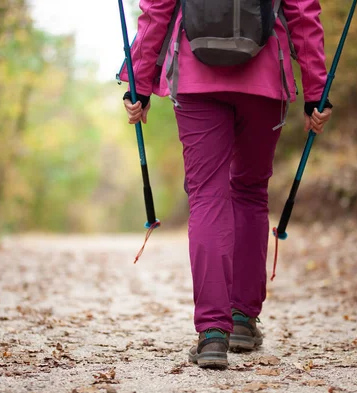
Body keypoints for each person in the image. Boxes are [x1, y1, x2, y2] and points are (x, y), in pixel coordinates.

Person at [118, 0, 333, 369]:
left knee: (206, 197)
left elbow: (157, 11)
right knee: (250, 192)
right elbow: (302, 11)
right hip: (266, 78)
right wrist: (317, 88)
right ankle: (242, 320)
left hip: (195, 75)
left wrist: (138, 83)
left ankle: (212, 334)